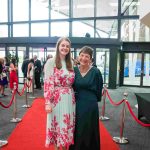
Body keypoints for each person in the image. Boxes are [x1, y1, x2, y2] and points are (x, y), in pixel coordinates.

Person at [44, 37, 75, 150]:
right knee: (58, 128)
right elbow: (48, 83)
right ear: (58, 46)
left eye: (67, 46)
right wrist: (47, 102)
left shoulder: (70, 62)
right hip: (56, 100)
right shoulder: (51, 62)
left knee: (66, 127)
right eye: (63, 45)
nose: (65, 48)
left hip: (69, 99)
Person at [69, 46, 103, 150]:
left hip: (90, 104)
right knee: (77, 126)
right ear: (78, 56)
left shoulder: (96, 71)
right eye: (82, 55)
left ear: (91, 59)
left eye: (87, 56)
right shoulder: (73, 70)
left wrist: (93, 100)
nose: (84, 58)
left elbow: (99, 89)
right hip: (77, 102)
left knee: (88, 127)